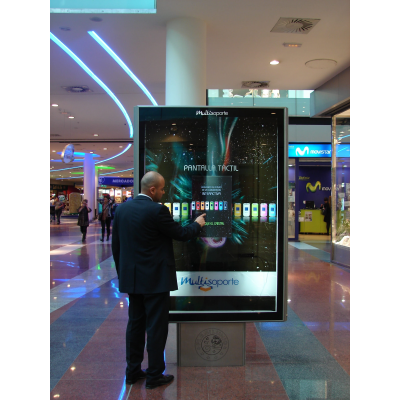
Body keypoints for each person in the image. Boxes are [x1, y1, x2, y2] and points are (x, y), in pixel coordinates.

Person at [111, 171, 206, 390]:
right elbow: (180, 234)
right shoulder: (157, 210)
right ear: (152, 189)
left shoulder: (122, 209)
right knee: (156, 327)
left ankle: (132, 372)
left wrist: (123, 275)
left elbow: (117, 247)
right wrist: (198, 223)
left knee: (135, 325)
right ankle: (154, 374)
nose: (164, 193)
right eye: (162, 189)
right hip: (155, 281)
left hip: (132, 279)